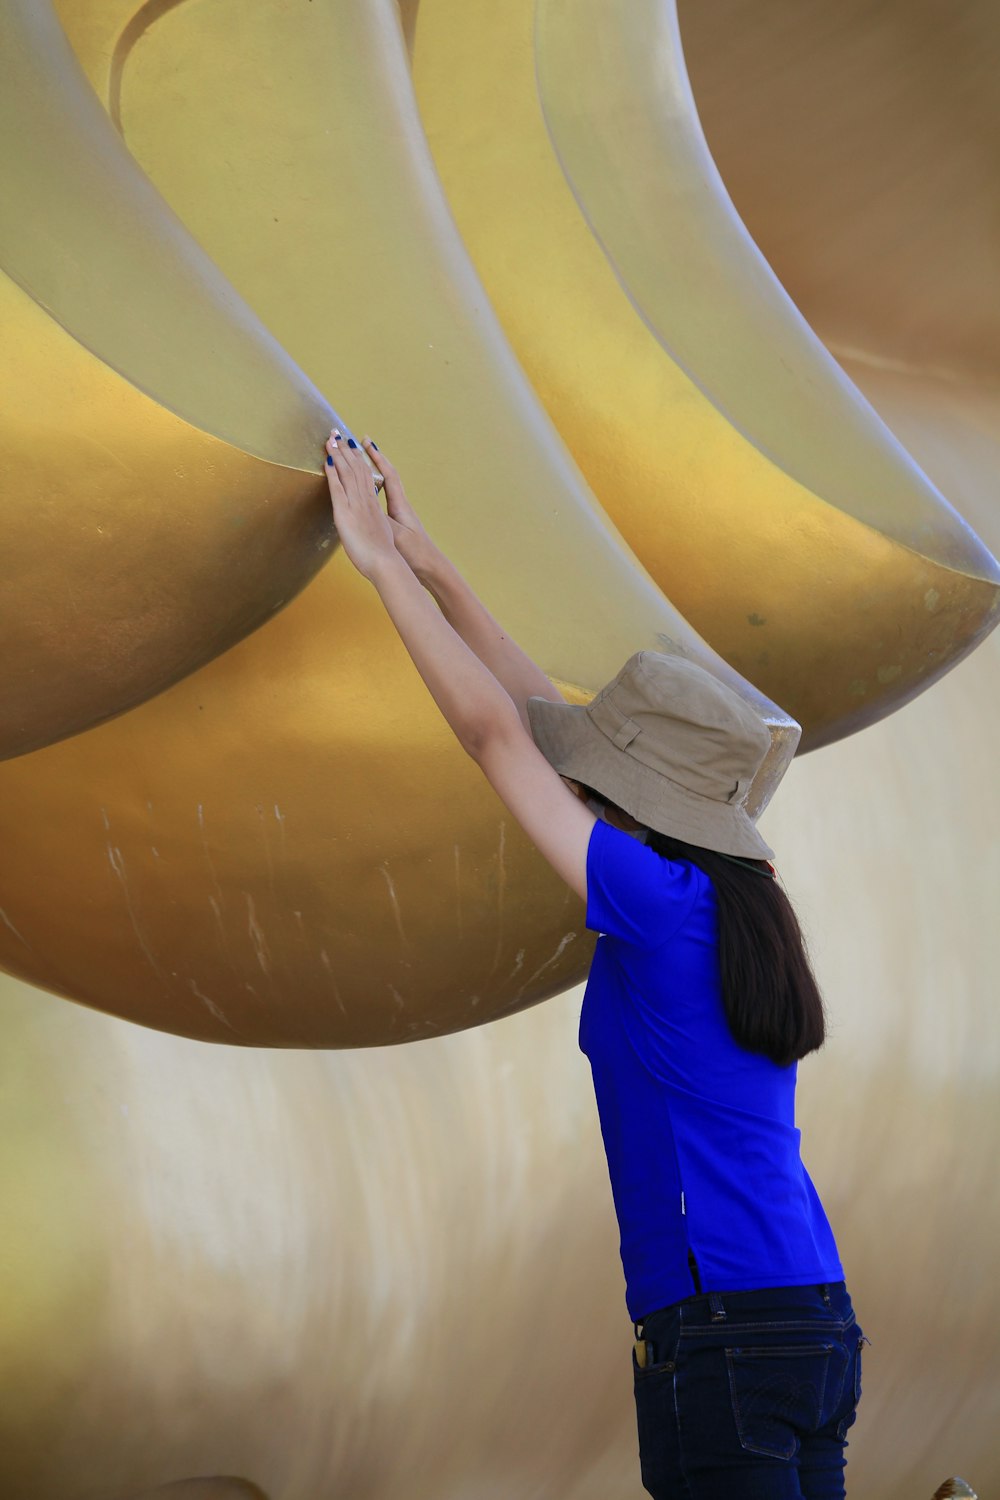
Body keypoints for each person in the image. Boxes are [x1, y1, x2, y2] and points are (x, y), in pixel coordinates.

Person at [322, 428, 866, 1498]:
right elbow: (548, 731)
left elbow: (498, 741)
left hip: (719, 1333)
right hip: (810, 1320)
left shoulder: (656, 907)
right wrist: (432, 562)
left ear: (636, 813)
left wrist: (379, 568)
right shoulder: (733, 903)